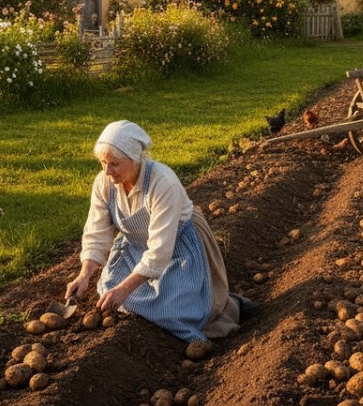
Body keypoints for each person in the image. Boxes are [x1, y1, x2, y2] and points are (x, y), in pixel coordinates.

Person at [65, 120, 246, 343]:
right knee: (109, 289)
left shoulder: (162, 183)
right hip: (137, 247)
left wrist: (125, 290)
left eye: (114, 163)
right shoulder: (104, 182)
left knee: (177, 311)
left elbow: (160, 249)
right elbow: (97, 232)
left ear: (135, 159)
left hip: (180, 246)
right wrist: (84, 275)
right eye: (103, 163)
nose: (107, 171)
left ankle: (226, 303)